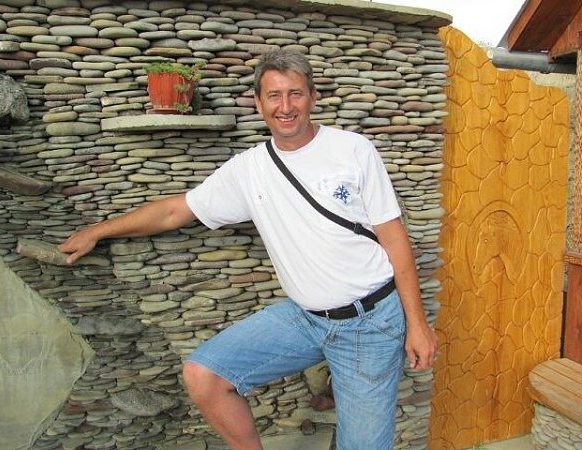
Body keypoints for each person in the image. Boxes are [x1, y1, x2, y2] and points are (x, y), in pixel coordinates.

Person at [58, 49, 437, 450]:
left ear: (312, 97)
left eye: (295, 94)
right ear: (258, 103)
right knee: (205, 376)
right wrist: (98, 231)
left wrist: (417, 324)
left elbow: (394, 238)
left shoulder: (353, 150)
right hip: (305, 318)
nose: (285, 106)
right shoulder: (249, 169)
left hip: (369, 323)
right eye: (274, 95)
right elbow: (174, 211)